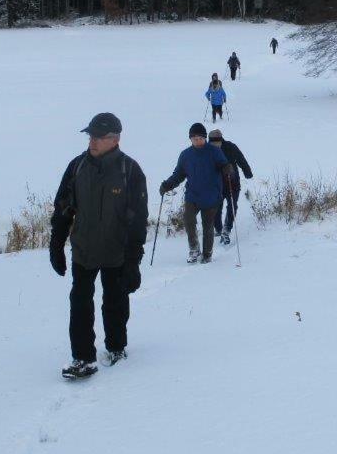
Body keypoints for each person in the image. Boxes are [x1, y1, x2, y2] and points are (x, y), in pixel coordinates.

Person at [49, 112, 149, 380]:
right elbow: (62, 207)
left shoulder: (130, 170)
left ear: (115, 139)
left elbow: (138, 219)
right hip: (84, 249)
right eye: (90, 135)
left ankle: (116, 347)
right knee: (80, 303)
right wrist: (56, 244)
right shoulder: (77, 167)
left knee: (115, 302)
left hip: (117, 252)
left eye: (98, 137)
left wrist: (133, 260)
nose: (92, 141)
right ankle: (82, 357)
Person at [159, 122, 231, 264]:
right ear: (190, 139)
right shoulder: (186, 155)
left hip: (211, 195)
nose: (198, 141)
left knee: (208, 226)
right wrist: (168, 184)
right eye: (195, 139)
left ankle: (207, 254)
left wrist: (226, 168)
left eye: (200, 138)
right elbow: (179, 174)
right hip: (192, 195)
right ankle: (194, 249)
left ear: (205, 138)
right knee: (189, 220)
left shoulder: (214, 152)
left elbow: (223, 165)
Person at [208, 129, 253, 246]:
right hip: (216, 185)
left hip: (232, 182)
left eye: (218, 141)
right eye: (213, 141)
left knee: (232, 205)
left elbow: (241, 160)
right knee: (216, 207)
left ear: (221, 139)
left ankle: (227, 229)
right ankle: (218, 229)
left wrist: (248, 173)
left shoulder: (230, 147)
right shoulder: (206, 150)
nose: (216, 144)